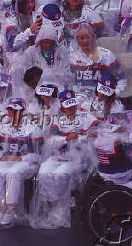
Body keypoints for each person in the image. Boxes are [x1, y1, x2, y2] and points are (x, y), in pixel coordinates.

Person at [31, 89, 98, 229]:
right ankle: (57, 203)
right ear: (62, 106)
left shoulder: (87, 117)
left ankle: (60, 208)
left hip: (78, 157)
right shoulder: (57, 119)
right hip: (58, 155)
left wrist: (79, 138)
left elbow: (95, 136)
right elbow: (50, 140)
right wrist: (65, 139)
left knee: (60, 174)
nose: (71, 108)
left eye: (73, 105)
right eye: (68, 106)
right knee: (43, 172)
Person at [0, 98, 42, 229]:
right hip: (7, 161)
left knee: (13, 173)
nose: (13, 112)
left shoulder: (33, 128)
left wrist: (22, 159)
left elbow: (39, 154)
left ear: (23, 111)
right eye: (10, 109)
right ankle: (0, 209)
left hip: (28, 163)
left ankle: (10, 210)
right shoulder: (0, 126)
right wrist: (0, 156)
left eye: (17, 110)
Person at [69, 23, 126, 103]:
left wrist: (114, 94)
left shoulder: (107, 55)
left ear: (93, 37)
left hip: (103, 98)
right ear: (77, 39)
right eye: (82, 38)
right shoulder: (71, 58)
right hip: (79, 100)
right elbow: (67, 81)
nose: (85, 41)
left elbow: (121, 78)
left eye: (87, 37)